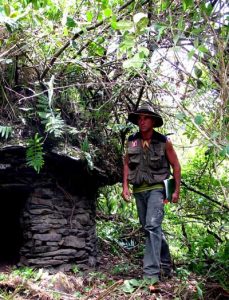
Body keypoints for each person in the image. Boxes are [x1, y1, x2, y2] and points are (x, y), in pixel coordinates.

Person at [122, 102, 181, 282]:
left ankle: (151, 274)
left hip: (157, 189)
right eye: (139, 118)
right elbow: (126, 163)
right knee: (149, 228)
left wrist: (176, 191)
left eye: (146, 117)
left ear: (153, 121)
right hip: (139, 190)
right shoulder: (132, 141)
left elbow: (176, 166)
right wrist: (125, 186)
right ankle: (165, 263)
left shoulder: (164, 142)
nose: (142, 121)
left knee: (152, 225)